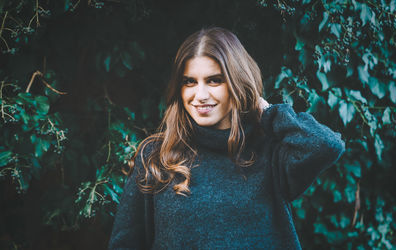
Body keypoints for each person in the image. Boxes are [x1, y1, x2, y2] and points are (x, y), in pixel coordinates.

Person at [108, 27, 345, 249]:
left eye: (214, 80)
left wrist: (265, 111)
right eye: (189, 81)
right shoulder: (156, 155)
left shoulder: (270, 153)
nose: (200, 95)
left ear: (237, 83)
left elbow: (326, 145)